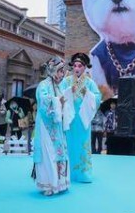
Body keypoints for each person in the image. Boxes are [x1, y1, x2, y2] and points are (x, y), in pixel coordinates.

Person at [60, 52, 101, 183]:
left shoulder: (89, 82)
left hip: (83, 120)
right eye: (75, 66)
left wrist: (87, 94)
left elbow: (98, 98)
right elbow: (59, 96)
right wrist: (68, 92)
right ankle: (69, 174)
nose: (77, 68)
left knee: (83, 146)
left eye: (80, 66)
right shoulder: (66, 81)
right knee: (69, 145)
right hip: (70, 119)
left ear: (84, 67)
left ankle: (83, 174)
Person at [32, 57, 69, 196]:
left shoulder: (59, 86)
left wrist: (63, 103)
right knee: (48, 153)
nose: (62, 74)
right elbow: (43, 103)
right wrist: (58, 101)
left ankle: (60, 183)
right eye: (59, 71)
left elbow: (63, 103)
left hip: (57, 125)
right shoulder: (43, 85)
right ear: (52, 71)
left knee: (59, 151)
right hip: (45, 126)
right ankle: (48, 184)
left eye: (62, 71)